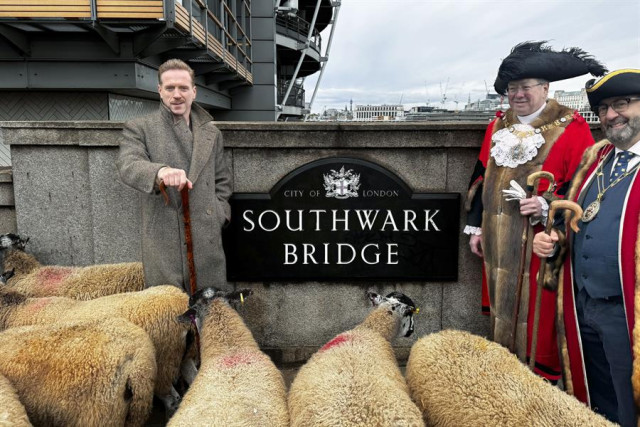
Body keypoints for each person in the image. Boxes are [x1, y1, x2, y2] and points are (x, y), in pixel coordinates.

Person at [465, 41, 606, 381]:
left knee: (539, 315)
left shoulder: (571, 126)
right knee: (502, 306)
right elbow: (481, 176)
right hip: (498, 239)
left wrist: (547, 204)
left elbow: (586, 184)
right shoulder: (498, 125)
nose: (518, 94)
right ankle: (505, 374)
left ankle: (538, 381)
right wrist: (476, 227)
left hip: (542, 238)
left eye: (525, 87)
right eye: (512, 88)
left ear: (545, 88)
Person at [533, 69, 640, 426]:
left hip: (630, 314)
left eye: (622, 103)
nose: (611, 115)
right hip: (583, 307)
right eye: (603, 109)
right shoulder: (595, 160)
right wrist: (554, 243)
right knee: (595, 401)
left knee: (631, 403)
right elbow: (575, 222)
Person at [117, 58, 232, 291]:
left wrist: (219, 214)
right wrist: (160, 172)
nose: (177, 95)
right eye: (170, 88)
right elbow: (128, 164)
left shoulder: (212, 133)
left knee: (212, 305)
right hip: (165, 239)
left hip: (207, 239)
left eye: (183, 88)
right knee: (169, 307)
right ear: (160, 91)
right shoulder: (140, 127)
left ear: (194, 92)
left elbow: (222, 181)